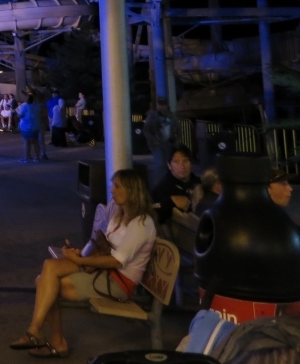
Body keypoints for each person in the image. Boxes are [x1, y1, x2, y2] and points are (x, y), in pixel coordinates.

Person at [10, 169, 156, 359]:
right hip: (102, 270)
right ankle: (37, 331)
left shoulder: (141, 224)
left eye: (117, 186)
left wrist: (80, 260)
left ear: (131, 190)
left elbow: (117, 261)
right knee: (49, 265)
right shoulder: (120, 216)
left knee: (43, 283)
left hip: (117, 282)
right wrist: (80, 253)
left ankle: (49, 339)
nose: (111, 190)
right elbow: (106, 248)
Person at [151, 145, 201, 225]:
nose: (182, 166)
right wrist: (171, 201)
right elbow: (151, 207)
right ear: (169, 165)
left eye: (185, 161)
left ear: (191, 163)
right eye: (176, 162)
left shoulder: (199, 182)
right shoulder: (164, 187)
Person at [143, 99, 174, 187]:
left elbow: (175, 128)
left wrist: (175, 139)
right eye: (159, 105)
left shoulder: (170, 115)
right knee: (159, 164)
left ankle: (164, 184)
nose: (160, 107)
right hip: (157, 144)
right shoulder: (152, 116)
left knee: (167, 164)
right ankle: (156, 184)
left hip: (167, 143)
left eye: (162, 105)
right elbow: (146, 130)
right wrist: (154, 140)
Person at [18, 92, 41, 163]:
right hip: (36, 125)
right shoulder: (37, 106)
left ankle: (26, 158)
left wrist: (17, 111)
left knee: (26, 142)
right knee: (35, 142)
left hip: (26, 126)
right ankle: (37, 157)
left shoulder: (24, 106)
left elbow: (20, 115)